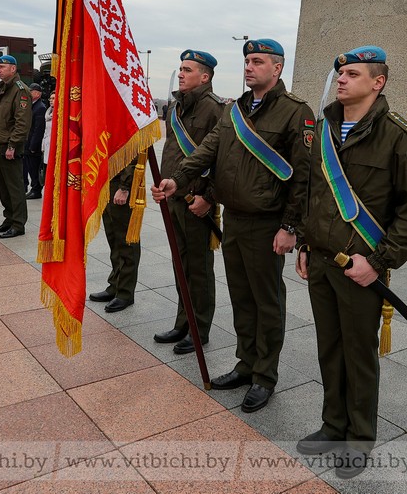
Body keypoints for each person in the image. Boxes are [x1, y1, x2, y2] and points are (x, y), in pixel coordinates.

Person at [294, 46, 407, 479]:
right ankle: (332, 425)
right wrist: (305, 241)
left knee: (358, 353)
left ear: (378, 82)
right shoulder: (323, 128)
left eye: (353, 74)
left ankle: (358, 438)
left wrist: (379, 261)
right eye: (340, 72)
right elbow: (314, 191)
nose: (341, 79)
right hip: (320, 261)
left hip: (361, 267)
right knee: (328, 348)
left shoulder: (397, 135)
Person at [153, 38, 313, 413]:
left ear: (277, 68)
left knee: (266, 301)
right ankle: (246, 364)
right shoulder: (235, 109)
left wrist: (291, 226)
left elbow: (304, 175)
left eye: (257, 61)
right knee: (242, 298)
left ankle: (265, 376)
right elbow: (208, 148)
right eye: (246, 61)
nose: (249, 67)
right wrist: (177, 179)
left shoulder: (296, 112)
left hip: (268, 221)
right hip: (237, 219)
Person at [154, 49, 226, 355]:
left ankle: (200, 328)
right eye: (180, 68)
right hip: (174, 197)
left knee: (198, 268)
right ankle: (182, 322)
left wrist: (208, 199)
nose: (181, 73)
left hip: (196, 201)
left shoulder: (215, 109)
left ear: (204, 76)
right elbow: (172, 149)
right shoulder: (175, 108)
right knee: (180, 264)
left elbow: (222, 160)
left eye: (188, 69)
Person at [0, 54, 32, 239]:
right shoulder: (5, 89)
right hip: (0, 145)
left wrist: (13, 146)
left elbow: (22, 123)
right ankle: (9, 219)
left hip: (10, 147)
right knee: (4, 187)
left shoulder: (20, 90)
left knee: (14, 187)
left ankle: (18, 224)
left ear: (13, 69)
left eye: (3, 67)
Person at [88, 157, 142, 313]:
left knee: (126, 240)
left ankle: (125, 293)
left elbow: (134, 151)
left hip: (121, 182)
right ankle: (115, 285)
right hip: (107, 179)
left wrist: (125, 186)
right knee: (114, 238)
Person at [23, 83, 47, 199]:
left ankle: (36, 189)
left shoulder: (40, 107)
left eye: (31, 91)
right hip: (28, 143)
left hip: (34, 145)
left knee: (34, 168)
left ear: (37, 94)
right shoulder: (32, 105)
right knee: (30, 167)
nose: (29, 93)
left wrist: (33, 146)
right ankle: (33, 187)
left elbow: (38, 129)